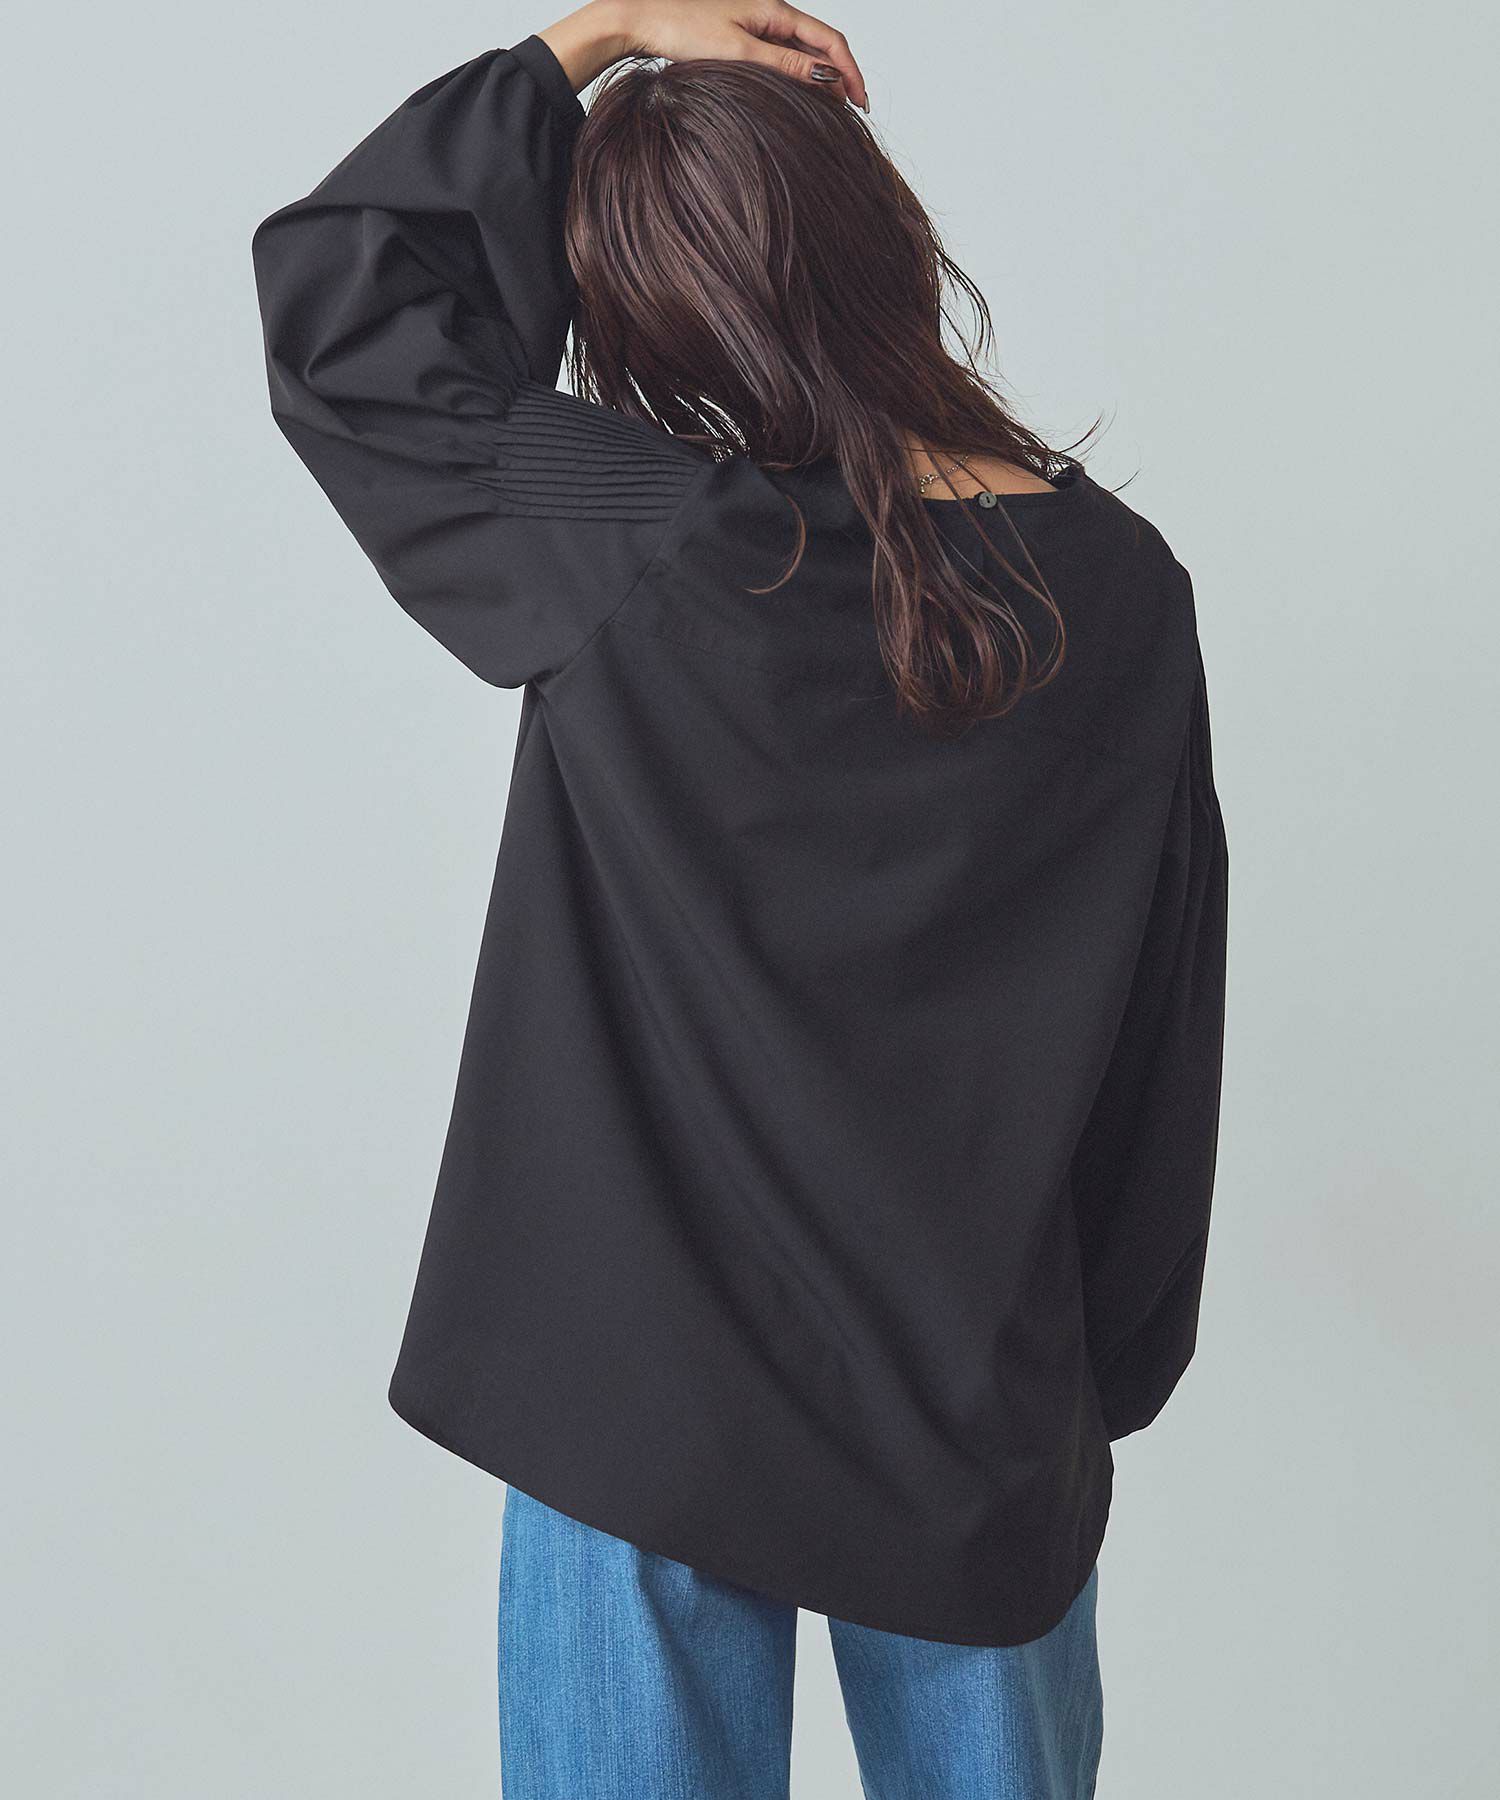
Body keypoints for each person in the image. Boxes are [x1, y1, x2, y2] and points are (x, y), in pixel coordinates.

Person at [251, 4, 1229, 1795]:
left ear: (658, 321)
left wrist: (594, 34)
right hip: (974, 1418)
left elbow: (346, 305)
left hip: (637, 1401)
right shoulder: (1124, 592)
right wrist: (1093, 1388)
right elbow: (1161, 1036)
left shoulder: (640, 539)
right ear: (888, 238)